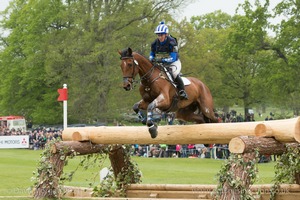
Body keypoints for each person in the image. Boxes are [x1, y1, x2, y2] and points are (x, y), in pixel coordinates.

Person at [149, 22, 188, 100]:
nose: (160, 37)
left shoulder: (172, 42)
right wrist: (151, 58)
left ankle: (182, 91)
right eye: (158, 35)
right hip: (161, 63)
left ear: (166, 34)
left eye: (161, 35)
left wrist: (161, 59)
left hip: (174, 63)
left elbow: (173, 58)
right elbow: (151, 54)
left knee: (174, 73)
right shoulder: (154, 43)